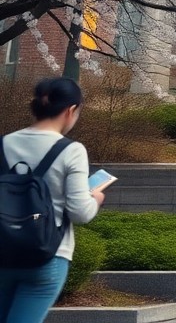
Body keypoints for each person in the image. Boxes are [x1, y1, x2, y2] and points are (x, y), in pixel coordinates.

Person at [0, 78, 104, 323]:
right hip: (47, 256)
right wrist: (96, 198)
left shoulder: (3, 143)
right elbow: (80, 212)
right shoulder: (72, 150)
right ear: (70, 111)